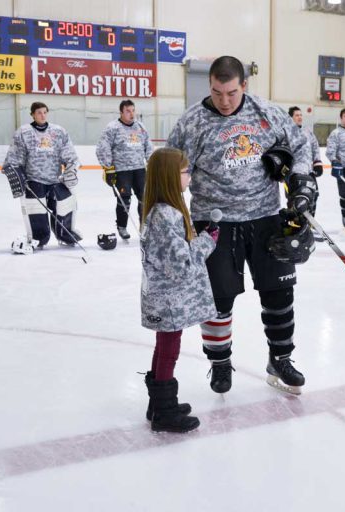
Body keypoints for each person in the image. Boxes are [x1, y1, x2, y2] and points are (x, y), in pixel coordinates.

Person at [166, 56, 314, 395]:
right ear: (210, 86)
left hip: (265, 216)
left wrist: (301, 181)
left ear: (244, 86)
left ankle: (281, 358)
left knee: (279, 292)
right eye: (217, 92)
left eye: (231, 92)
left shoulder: (268, 113)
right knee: (218, 299)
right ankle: (220, 364)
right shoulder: (191, 122)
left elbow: (303, 146)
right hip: (214, 222)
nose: (224, 100)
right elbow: (171, 168)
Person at [140, 147, 219, 433]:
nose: (190, 177)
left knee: (164, 347)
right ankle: (164, 411)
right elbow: (181, 262)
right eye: (186, 172)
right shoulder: (165, 215)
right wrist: (208, 240)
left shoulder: (167, 211)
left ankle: (157, 403)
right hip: (169, 299)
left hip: (165, 297)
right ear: (171, 178)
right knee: (169, 350)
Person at [1, 101, 81, 252]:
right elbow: (14, 158)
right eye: (39, 112)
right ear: (32, 114)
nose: (42, 115)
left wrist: (71, 168)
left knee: (66, 204)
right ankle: (39, 238)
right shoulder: (23, 132)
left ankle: (65, 234)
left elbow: (69, 154)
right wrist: (17, 173)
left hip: (55, 179)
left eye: (45, 112)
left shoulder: (58, 131)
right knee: (36, 210)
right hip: (34, 180)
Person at [96, 99, 153, 240]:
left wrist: (151, 164)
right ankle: (122, 226)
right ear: (121, 112)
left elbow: (148, 147)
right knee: (124, 199)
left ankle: (144, 226)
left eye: (133, 110)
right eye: (128, 111)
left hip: (140, 169)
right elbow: (103, 148)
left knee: (145, 198)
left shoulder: (140, 127)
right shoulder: (112, 128)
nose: (131, 114)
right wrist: (109, 168)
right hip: (122, 171)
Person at [289, 106, 324, 235]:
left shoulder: (308, 132)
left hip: (309, 172)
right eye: (297, 115)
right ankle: (296, 226)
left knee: (314, 195)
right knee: (296, 200)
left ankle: (309, 224)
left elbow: (315, 147)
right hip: (295, 173)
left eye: (301, 115)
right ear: (291, 118)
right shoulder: (287, 132)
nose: (300, 117)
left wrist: (317, 163)